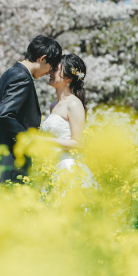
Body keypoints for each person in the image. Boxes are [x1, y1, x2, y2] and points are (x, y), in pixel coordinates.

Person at [0, 36, 62, 183]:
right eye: (50, 68)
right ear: (42, 59)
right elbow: (4, 114)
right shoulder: (22, 77)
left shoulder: (8, 73)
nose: (48, 73)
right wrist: (28, 139)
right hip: (8, 164)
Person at [40, 53, 98, 190]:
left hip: (69, 168)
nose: (50, 72)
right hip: (53, 167)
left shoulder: (74, 104)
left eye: (56, 69)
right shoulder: (53, 105)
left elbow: (78, 143)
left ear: (69, 79)